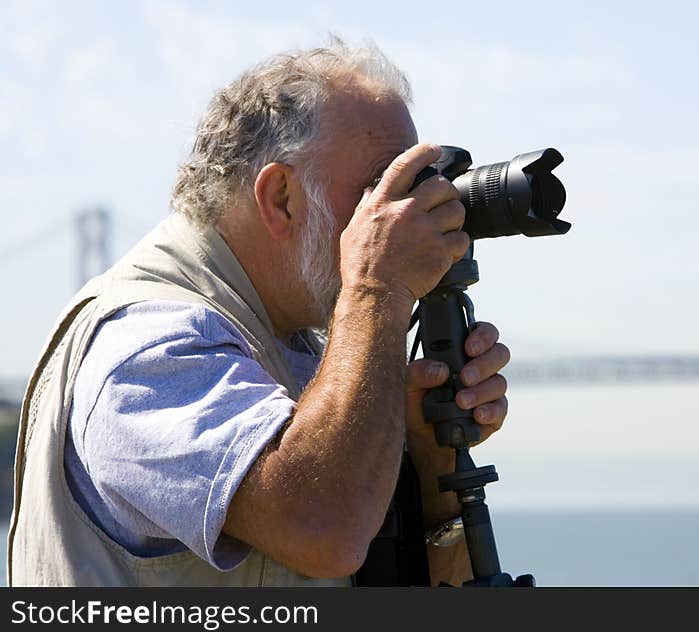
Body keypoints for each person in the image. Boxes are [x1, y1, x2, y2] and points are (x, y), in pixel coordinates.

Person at [7, 39, 511, 586]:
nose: (408, 214)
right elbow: (322, 532)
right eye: (381, 190)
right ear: (281, 198)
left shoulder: (307, 349)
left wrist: (434, 463)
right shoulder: (147, 349)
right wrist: (375, 291)